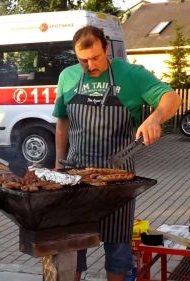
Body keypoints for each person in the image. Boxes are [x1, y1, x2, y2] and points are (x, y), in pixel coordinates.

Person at [53, 25, 181, 281]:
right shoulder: (67, 77)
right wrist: (58, 163)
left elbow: (172, 98)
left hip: (118, 180)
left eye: (96, 57)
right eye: (83, 60)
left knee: (118, 250)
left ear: (107, 48)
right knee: (72, 247)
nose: (90, 65)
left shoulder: (130, 74)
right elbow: (62, 121)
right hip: (75, 178)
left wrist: (155, 118)